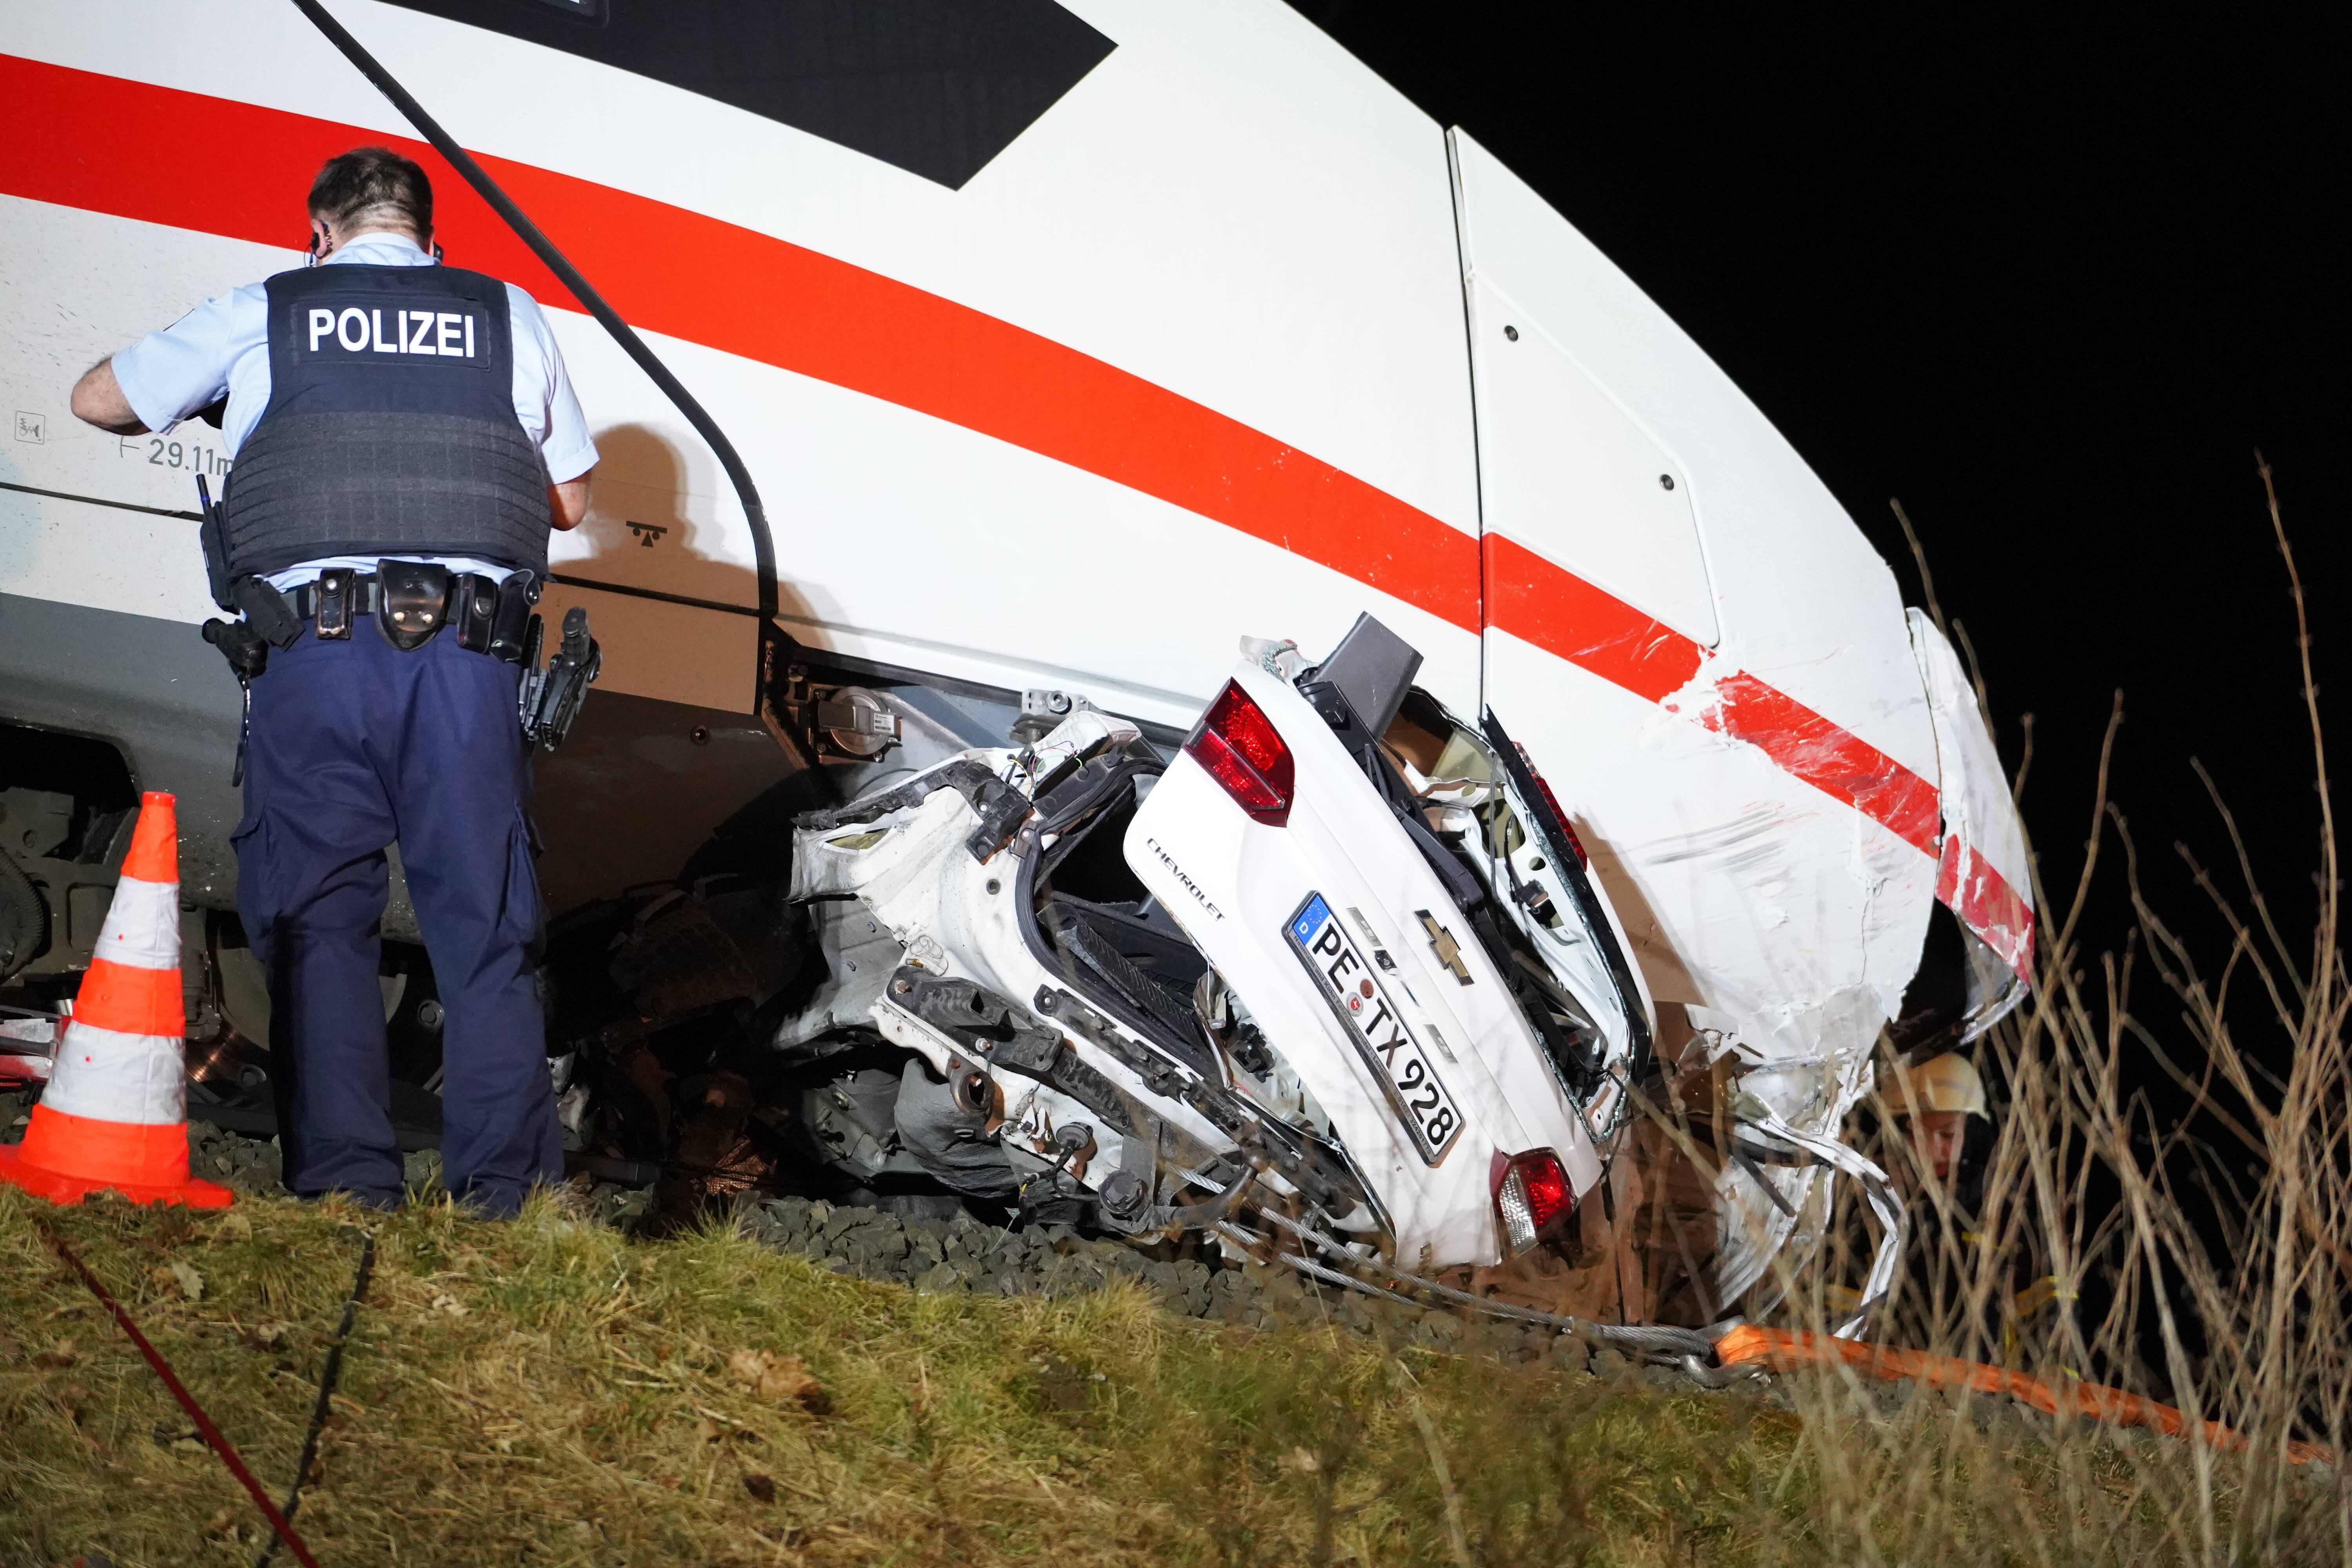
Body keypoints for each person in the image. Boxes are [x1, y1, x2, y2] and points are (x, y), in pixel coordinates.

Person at [69, 147, 599, 1216]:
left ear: (319, 229)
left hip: (316, 659)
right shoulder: (507, 313)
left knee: (316, 922)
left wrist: (238, 404)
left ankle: (349, 1187)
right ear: (430, 234)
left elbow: (96, 402)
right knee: (485, 927)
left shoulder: (269, 305)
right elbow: (572, 503)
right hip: (466, 661)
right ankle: (507, 1201)